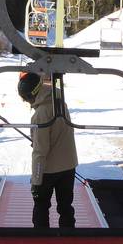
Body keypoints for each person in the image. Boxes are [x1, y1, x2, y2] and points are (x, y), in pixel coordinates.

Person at [18, 72, 78, 229]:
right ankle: (69, 237)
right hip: (69, 165)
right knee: (66, 207)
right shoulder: (60, 101)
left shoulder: (40, 114)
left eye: (25, 98)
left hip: (49, 170)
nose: (26, 102)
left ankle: (41, 238)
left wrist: (36, 181)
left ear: (32, 95)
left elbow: (40, 152)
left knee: (41, 206)